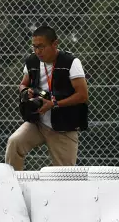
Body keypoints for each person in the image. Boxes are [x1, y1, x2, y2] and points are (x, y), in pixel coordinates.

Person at [5, 25, 88, 169]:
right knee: (15, 142)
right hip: (37, 121)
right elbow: (23, 84)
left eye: (41, 47)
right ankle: (13, 186)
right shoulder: (31, 61)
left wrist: (54, 104)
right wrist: (26, 91)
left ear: (55, 44)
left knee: (65, 175)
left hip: (64, 126)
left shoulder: (71, 62)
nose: (37, 51)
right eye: (34, 47)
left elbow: (82, 95)